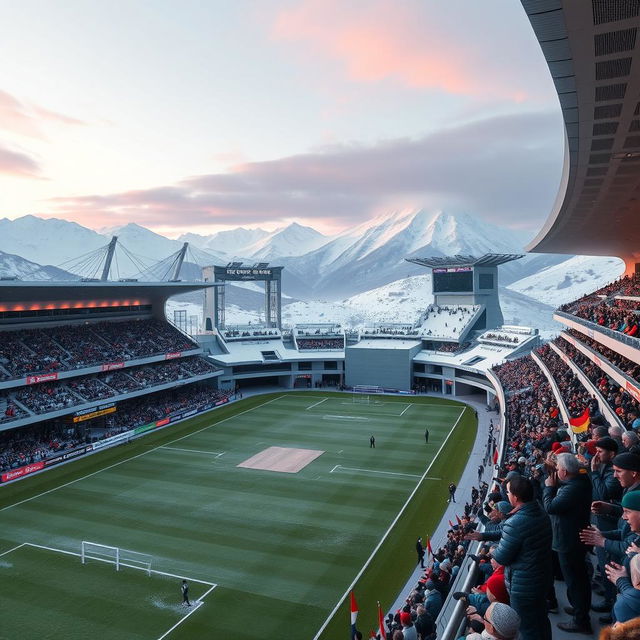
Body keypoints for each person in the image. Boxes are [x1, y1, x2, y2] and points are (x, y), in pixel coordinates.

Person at [493, 474, 552, 640]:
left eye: (509, 492)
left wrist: (493, 553)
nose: (507, 495)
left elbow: (502, 557)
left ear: (515, 497)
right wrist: (482, 536)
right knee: (540, 621)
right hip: (541, 577)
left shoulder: (516, 522)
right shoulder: (539, 510)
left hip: (524, 585)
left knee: (527, 629)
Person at [542, 452, 593, 633]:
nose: (555, 472)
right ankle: (580, 609)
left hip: (569, 541)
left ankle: (581, 620)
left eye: (557, 469)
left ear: (564, 472)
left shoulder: (572, 489)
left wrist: (548, 487)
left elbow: (551, 507)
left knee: (575, 581)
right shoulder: (580, 480)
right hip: (574, 539)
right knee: (578, 579)